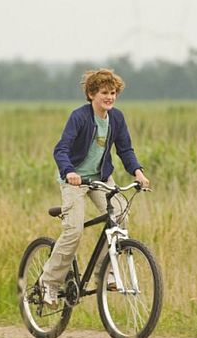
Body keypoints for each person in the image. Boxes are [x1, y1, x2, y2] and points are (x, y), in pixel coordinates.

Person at [40, 68, 151, 306]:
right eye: (104, 93)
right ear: (91, 94)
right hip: (75, 180)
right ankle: (49, 282)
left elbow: (125, 149)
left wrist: (138, 172)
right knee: (74, 231)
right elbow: (60, 149)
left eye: (113, 93)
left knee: (120, 216)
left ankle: (105, 274)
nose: (109, 97)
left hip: (100, 179)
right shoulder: (79, 117)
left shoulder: (117, 118)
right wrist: (69, 171)